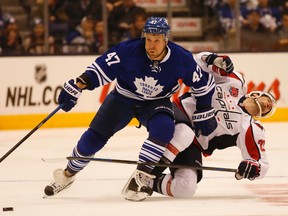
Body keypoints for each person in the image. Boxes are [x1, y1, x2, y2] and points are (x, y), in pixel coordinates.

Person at [43, 17, 225, 197]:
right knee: (93, 138)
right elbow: (100, 68)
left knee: (164, 129)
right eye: (148, 40)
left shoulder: (181, 58)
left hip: (157, 101)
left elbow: (203, 84)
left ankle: (141, 178)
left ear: (166, 40)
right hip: (123, 99)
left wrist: (204, 109)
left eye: (157, 41)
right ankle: (67, 175)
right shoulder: (127, 51)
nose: (151, 45)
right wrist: (79, 85)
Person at [122, 51, 277, 201]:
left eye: (270, 108)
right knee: (185, 133)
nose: (269, 105)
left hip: (194, 144)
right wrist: (213, 59)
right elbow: (197, 62)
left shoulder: (250, 128)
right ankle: (143, 175)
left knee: (185, 188)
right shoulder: (235, 81)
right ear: (255, 94)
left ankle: (148, 182)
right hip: (175, 114)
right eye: (268, 99)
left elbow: (261, 163)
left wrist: (253, 168)